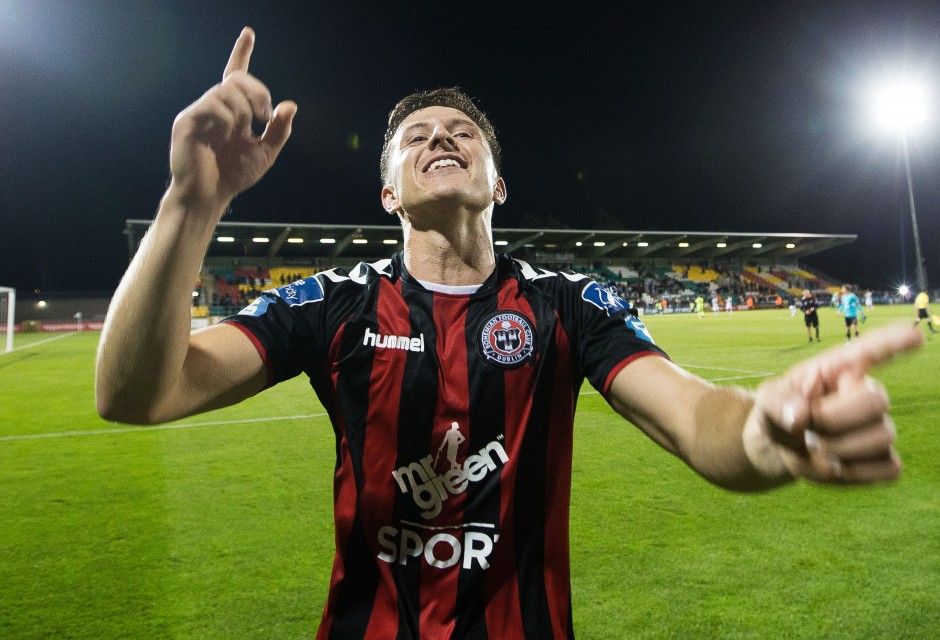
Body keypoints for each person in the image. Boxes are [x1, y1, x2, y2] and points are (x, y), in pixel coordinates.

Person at [95, 29, 925, 639]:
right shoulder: (333, 301)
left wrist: (767, 432)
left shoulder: (568, 304)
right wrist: (192, 202)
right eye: (414, 138)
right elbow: (138, 394)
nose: (441, 138)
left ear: (499, 184)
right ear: (388, 196)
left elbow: (695, 419)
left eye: (463, 133)